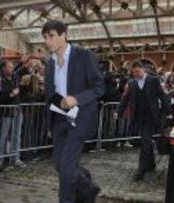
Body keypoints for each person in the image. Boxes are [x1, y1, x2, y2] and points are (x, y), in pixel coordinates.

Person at [42, 20, 104, 203]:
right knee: (59, 165)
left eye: (51, 36)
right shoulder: (50, 64)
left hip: (81, 118)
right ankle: (87, 186)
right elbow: (49, 97)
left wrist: (77, 98)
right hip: (59, 120)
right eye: (45, 37)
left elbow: (99, 87)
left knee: (67, 168)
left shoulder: (83, 56)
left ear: (64, 35)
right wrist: (49, 125)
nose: (47, 41)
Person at [116, 60, 170, 181]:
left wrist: (169, 112)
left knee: (145, 141)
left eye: (137, 71)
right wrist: (118, 112)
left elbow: (162, 95)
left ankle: (141, 170)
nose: (136, 74)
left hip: (151, 116)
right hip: (139, 116)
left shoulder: (154, 80)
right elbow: (125, 98)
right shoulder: (131, 83)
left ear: (143, 69)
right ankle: (151, 164)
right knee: (146, 140)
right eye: (133, 72)